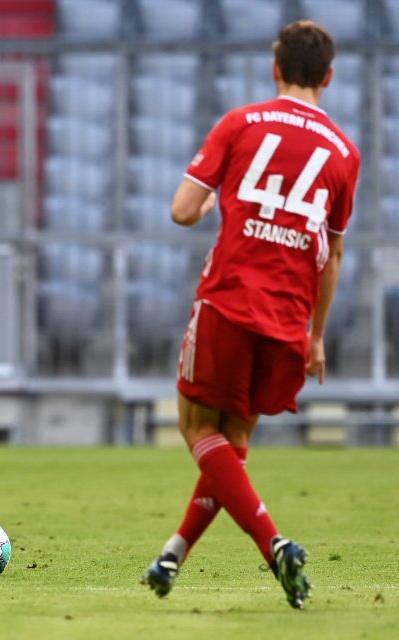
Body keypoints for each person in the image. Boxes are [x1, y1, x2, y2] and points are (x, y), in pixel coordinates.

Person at [139, 21, 360, 610]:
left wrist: (212, 197)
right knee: (232, 441)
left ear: (276, 69)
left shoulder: (242, 123)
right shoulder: (345, 152)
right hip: (289, 317)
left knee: (195, 427)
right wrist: (316, 337)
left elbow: (182, 211)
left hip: (230, 300)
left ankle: (275, 544)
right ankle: (175, 552)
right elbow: (332, 254)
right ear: (330, 77)